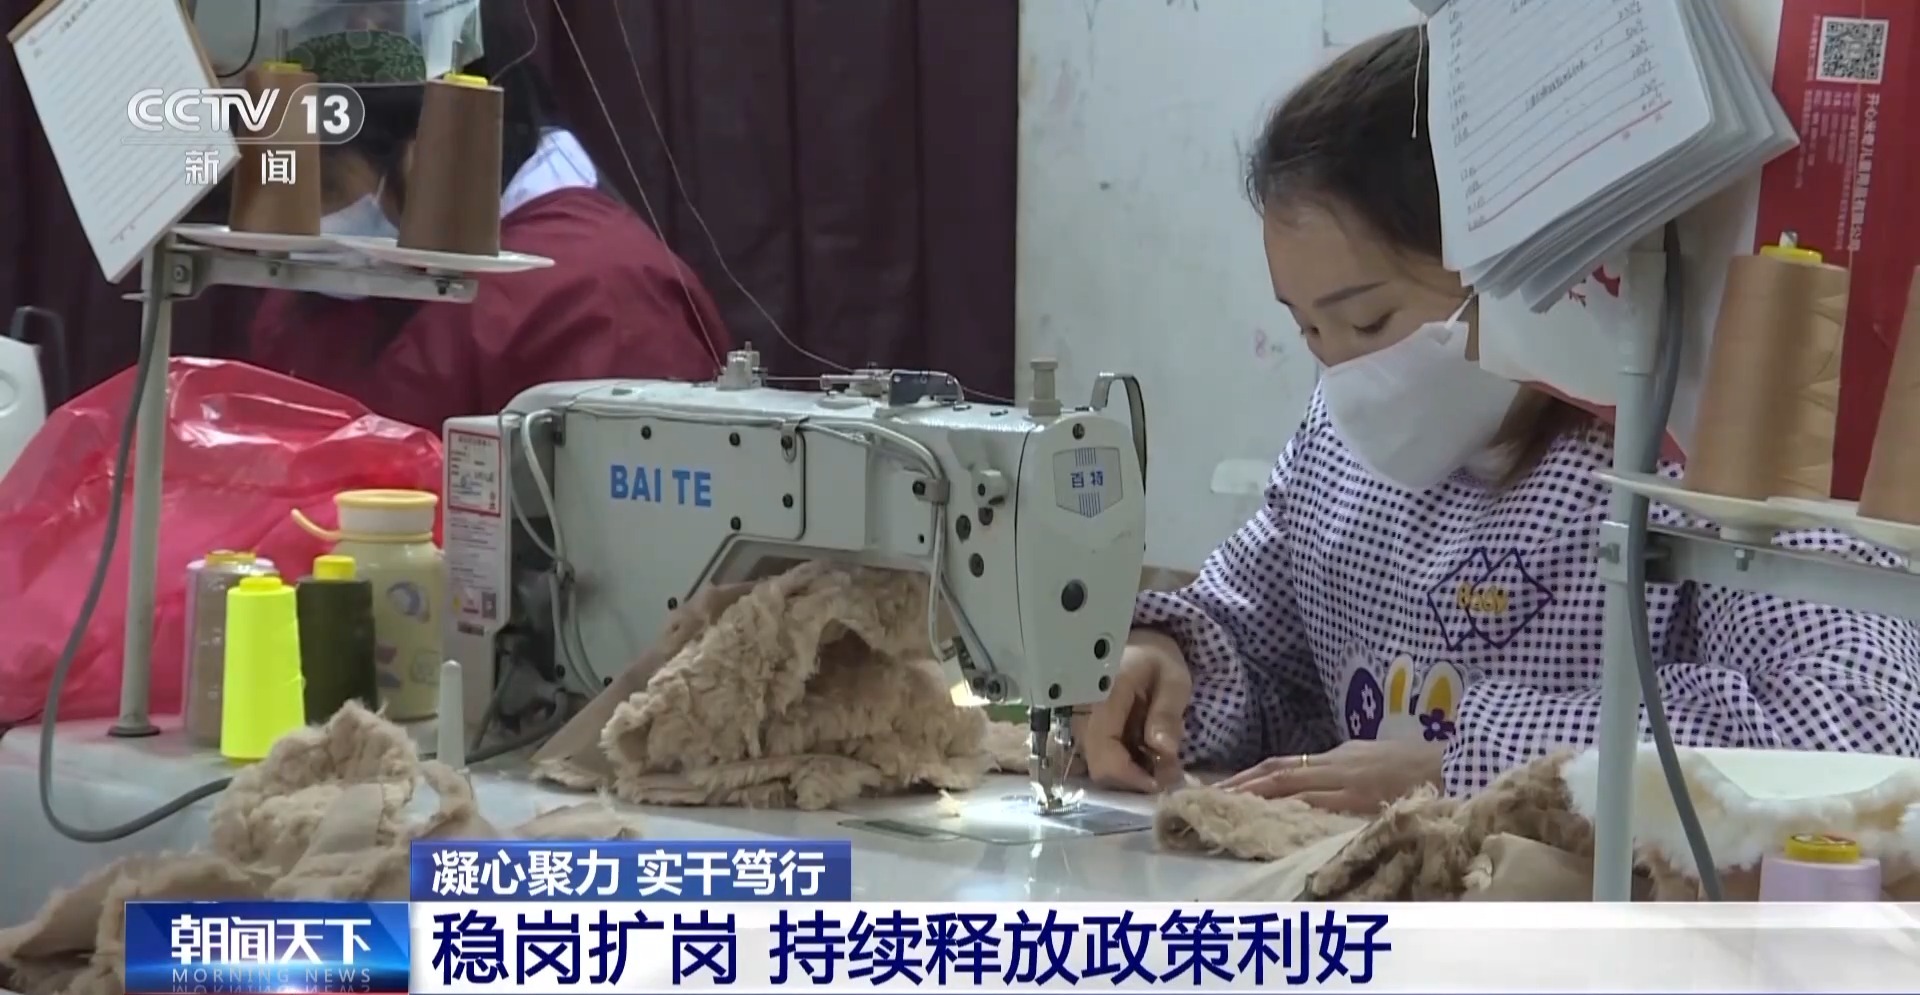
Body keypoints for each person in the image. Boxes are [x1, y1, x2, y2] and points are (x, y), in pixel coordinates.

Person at [1078, 26, 1920, 813]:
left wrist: (1474, 762)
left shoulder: (1706, 452)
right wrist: (1164, 668)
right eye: (1308, 329)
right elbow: (1258, 655)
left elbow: (1856, 729)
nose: (1343, 370)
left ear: (1523, 259)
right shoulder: (1335, 454)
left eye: (1368, 319)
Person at [247, 10, 729, 432]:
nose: (303, 221)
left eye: (326, 188)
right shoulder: (320, 284)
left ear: (430, 156)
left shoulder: (597, 301)